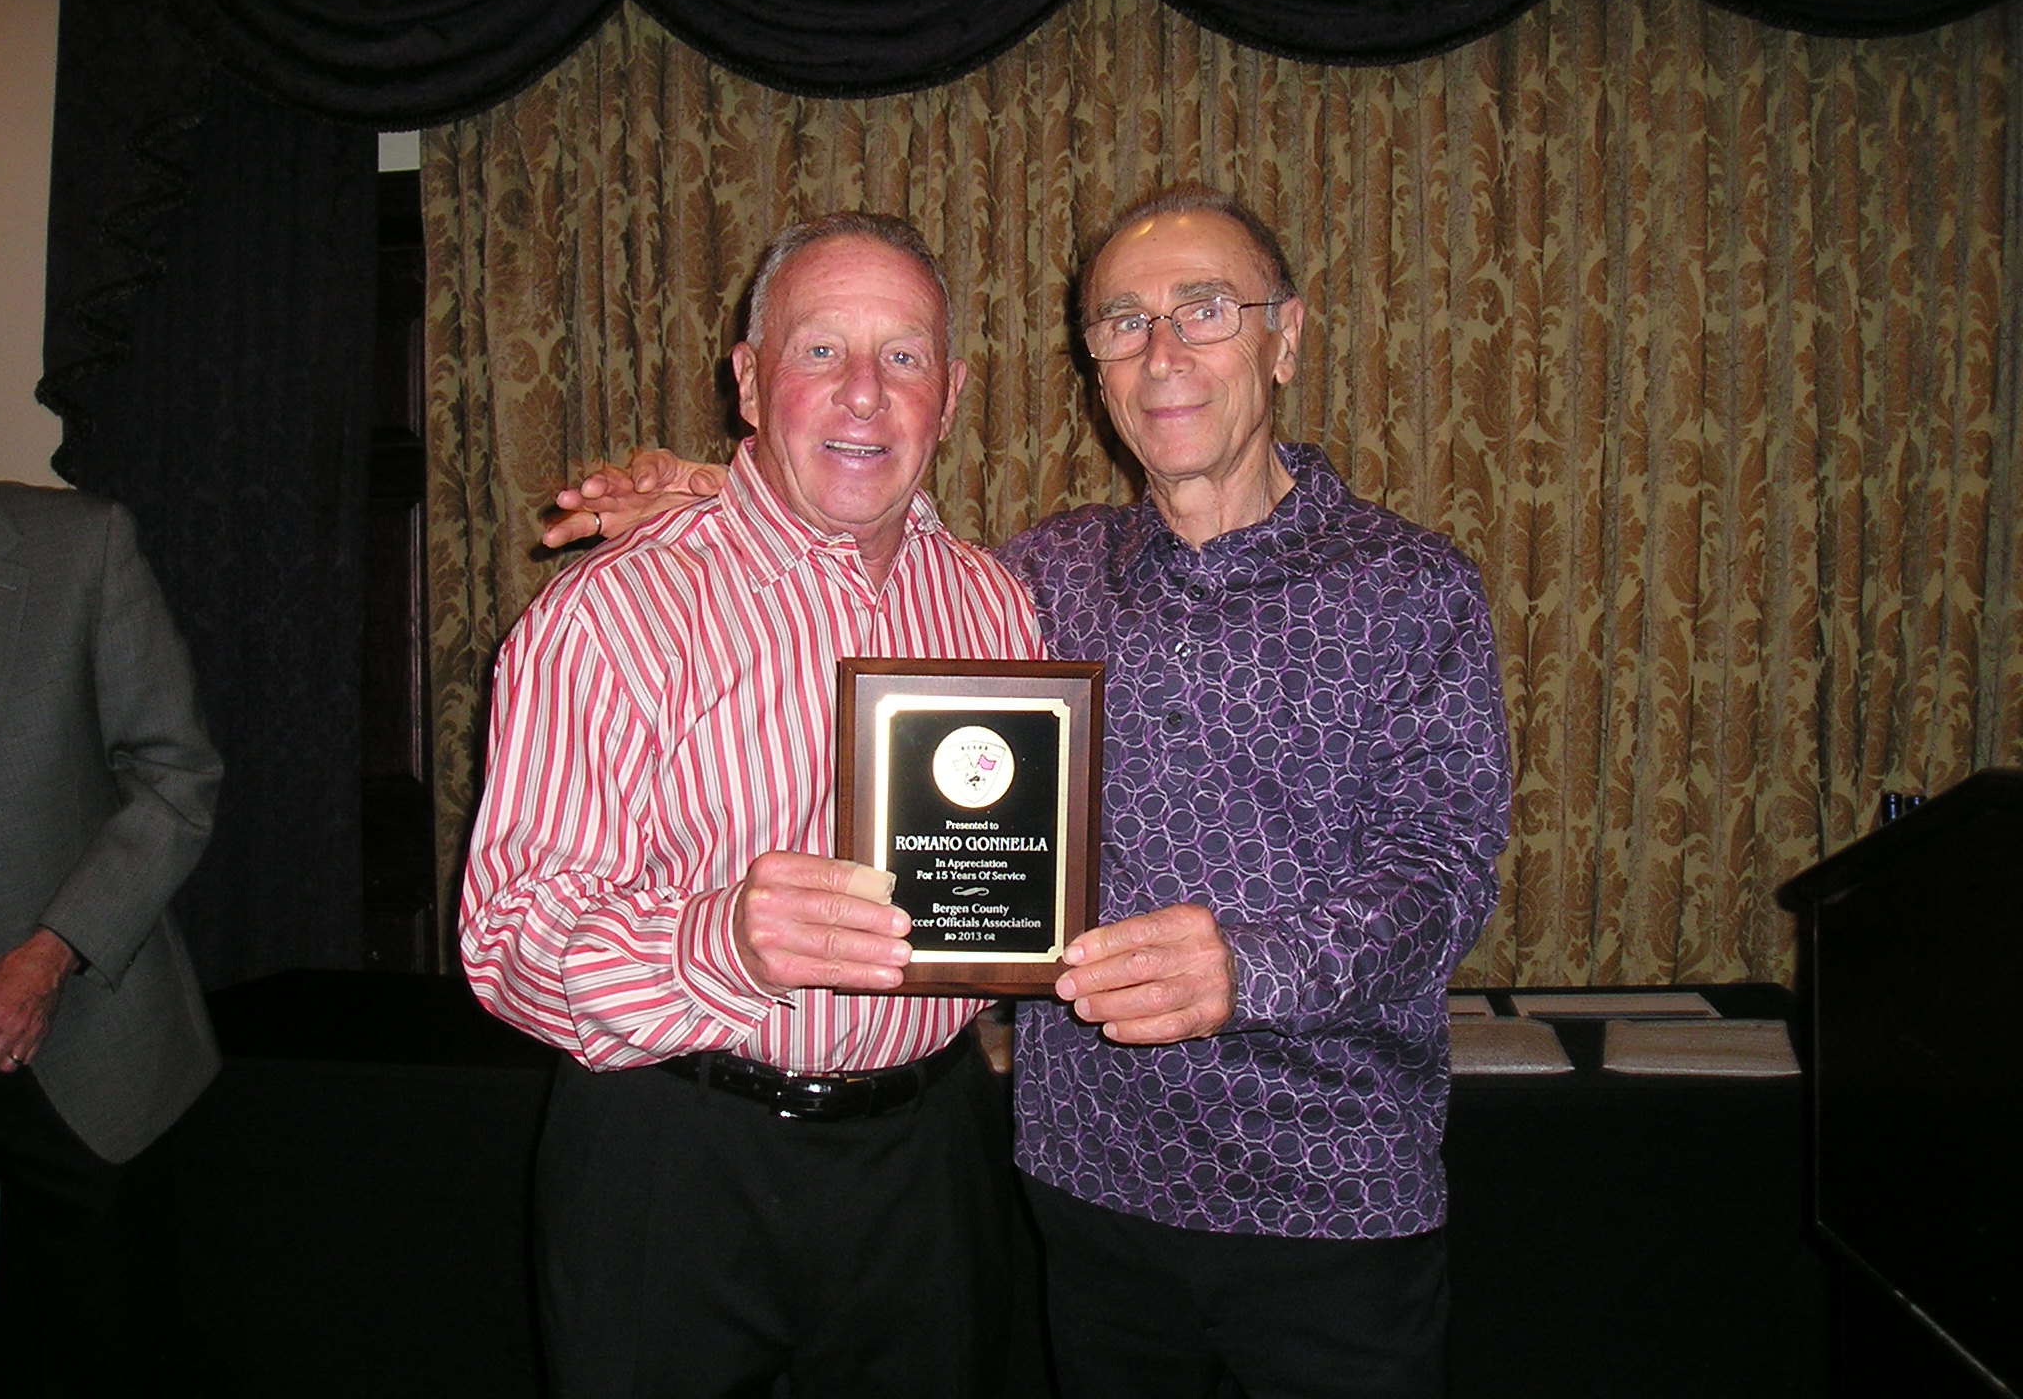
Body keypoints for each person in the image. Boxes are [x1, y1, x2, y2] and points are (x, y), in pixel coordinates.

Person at [551, 186, 1512, 1398]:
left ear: (1284, 337)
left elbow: (1440, 876)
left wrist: (1249, 967)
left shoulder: (1410, 587)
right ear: (1095, 367)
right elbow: (864, 543)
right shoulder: (1041, 579)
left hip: (1325, 1190)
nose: (1160, 352)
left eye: (1203, 310)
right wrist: (719, 490)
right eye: (1122, 322)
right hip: (1086, 1184)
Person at [461, 212, 1045, 1399]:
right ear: (746, 379)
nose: (864, 393)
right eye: (819, 350)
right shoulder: (608, 616)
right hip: (677, 1157)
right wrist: (714, 941)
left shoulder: (996, 606)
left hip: (929, 1161)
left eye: (903, 356)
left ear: (950, 394)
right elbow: (504, 942)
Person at [0, 480, 222, 1399]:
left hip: (71, 1023)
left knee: (101, 1350)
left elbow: (176, 778)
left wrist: (49, 955)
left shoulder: (78, 546)